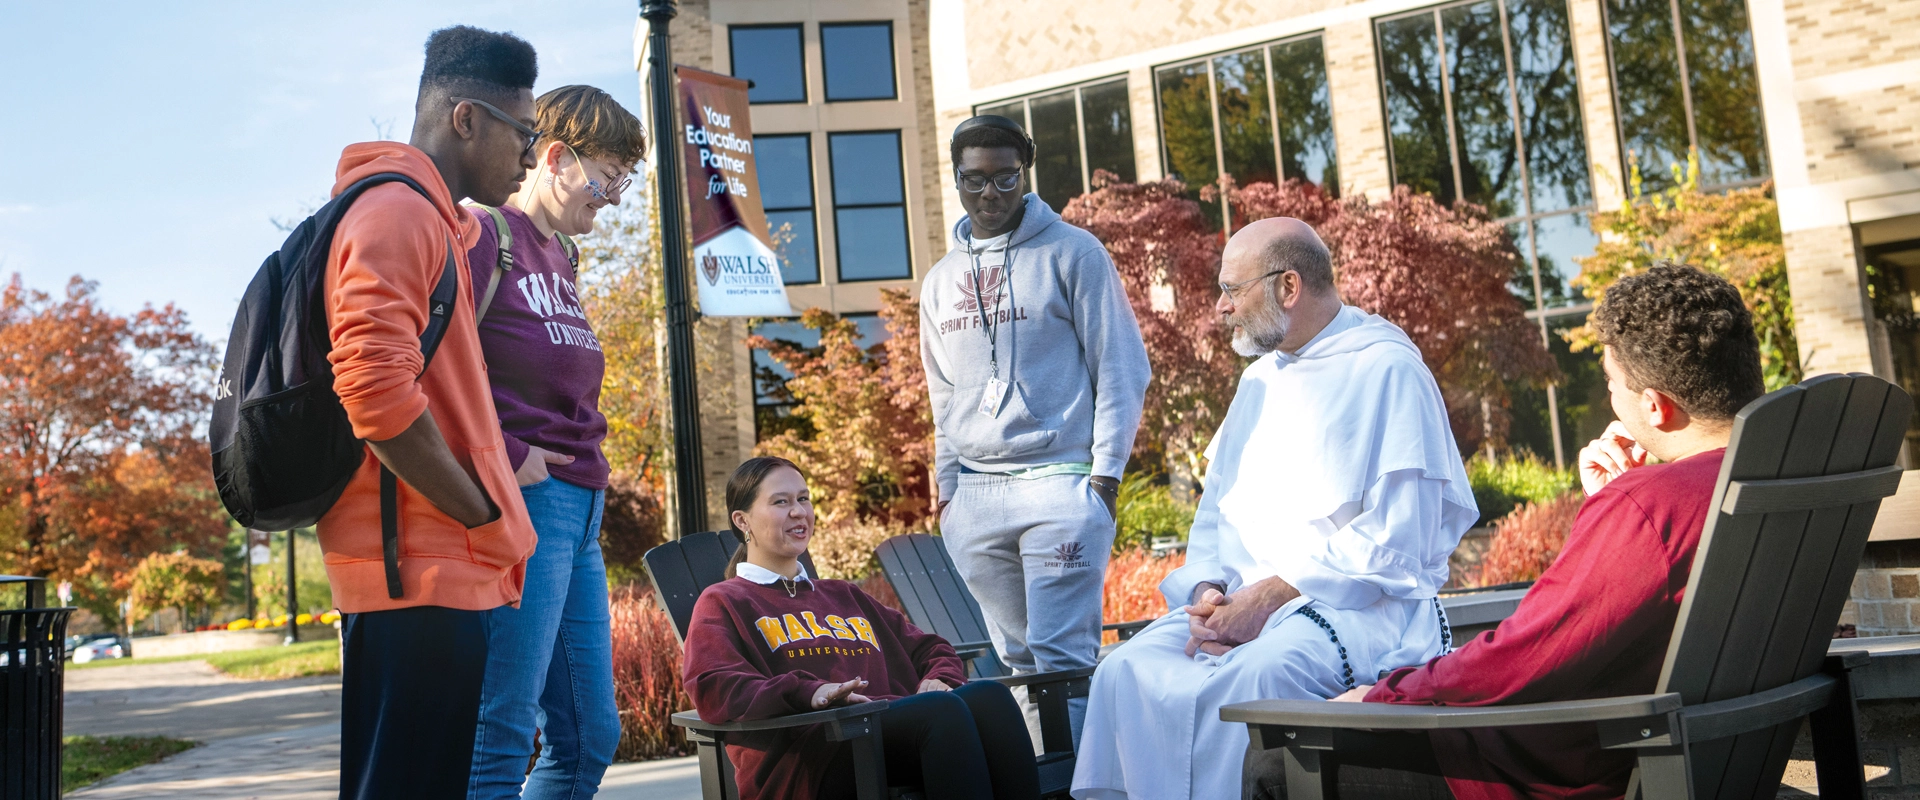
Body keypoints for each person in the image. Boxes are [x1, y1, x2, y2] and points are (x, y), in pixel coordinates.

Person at [1254, 263, 1766, 800]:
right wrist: (1622, 507)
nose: (1610, 398)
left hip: (1553, 776)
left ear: (1655, 407)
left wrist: (1383, 696)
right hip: (1708, 751)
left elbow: (1523, 657)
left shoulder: (1650, 509)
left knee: (1273, 764)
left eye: (1612, 384)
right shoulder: (1766, 479)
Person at [1071, 217, 1479, 800]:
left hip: (1356, 606)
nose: (1220, 308)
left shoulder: (1388, 370)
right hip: (1242, 603)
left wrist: (1270, 597)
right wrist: (1210, 590)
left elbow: (1399, 537)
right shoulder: (1258, 381)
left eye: (1232, 290)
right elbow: (1216, 512)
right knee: (1121, 670)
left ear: (1288, 287)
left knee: (1256, 678)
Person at [317, 26, 539, 800]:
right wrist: (478, 513)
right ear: (466, 118)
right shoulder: (396, 214)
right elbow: (374, 397)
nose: (533, 156)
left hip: (430, 566)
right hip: (418, 568)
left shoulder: (435, 222)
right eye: (525, 132)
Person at [919, 114, 1151, 747]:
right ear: (957, 179)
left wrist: (1104, 477)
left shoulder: (1073, 252)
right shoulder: (940, 281)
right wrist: (948, 493)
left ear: (1025, 174)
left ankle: (1086, 784)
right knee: (1019, 665)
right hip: (977, 495)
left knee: (1064, 661)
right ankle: (1045, 781)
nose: (989, 194)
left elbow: (1122, 367)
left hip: (1062, 482)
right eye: (974, 180)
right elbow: (941, 394)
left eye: (1004, 178)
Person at [462, 85, 647, 800]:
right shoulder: (482, 238)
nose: (615, 195)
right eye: (608, 176)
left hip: (582, 515)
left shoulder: (562, 258)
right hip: (527, 506)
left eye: (623, 179)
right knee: (502, 730)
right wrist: (509, 456)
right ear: (555, 156)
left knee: (589, 736)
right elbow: (430, 366)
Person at [683, 457, 1042, 800]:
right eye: (780, 502)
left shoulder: (842, 595)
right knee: (941, 713)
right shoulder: (725, 601)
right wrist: (807, 691)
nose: (799, 511)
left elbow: (931, 647)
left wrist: (941, 675)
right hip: (813, 757)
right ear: (742, 521)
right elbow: (713, 685)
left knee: (990, 698)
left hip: (888, 733)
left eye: (803, 499)